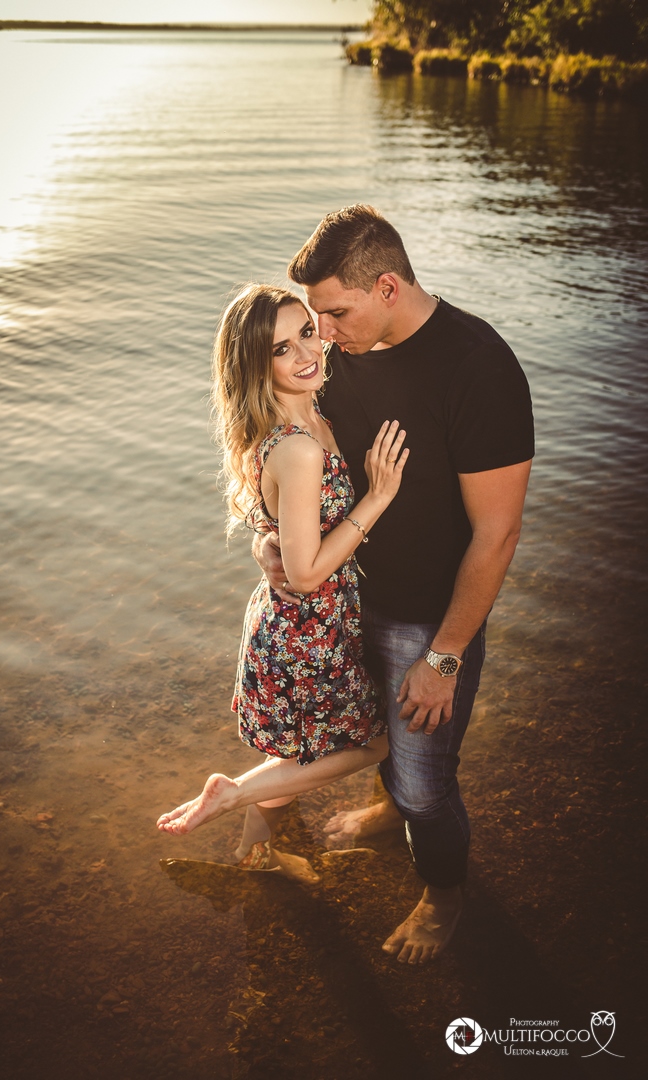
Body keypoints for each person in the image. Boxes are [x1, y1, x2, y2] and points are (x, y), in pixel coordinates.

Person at [252, 205, 534, 964]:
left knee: (424, 787)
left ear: (386, 287)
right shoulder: (334, 354)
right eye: (313, 318)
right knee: (371, 743)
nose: (321, 335)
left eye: (335, 315)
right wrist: (268, 542)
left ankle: (444, 895)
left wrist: (444, 655)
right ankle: (385, 812)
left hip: (424, 620)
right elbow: (285, 466)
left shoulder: (478, 368)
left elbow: (498, 533)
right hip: (342, 605)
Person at [157, 283, 409, 879]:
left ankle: (256, 858)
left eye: (307, 333)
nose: (305, 353)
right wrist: (378, 498)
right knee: (373, 743)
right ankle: (233, 793)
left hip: (305, 620)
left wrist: (265, 541)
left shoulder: (310, 415)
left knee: (290, 752)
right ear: (255, 365)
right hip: (306, 629)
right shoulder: (298, 448)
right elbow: (306, 571)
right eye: (280, 349)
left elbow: (280, 529)